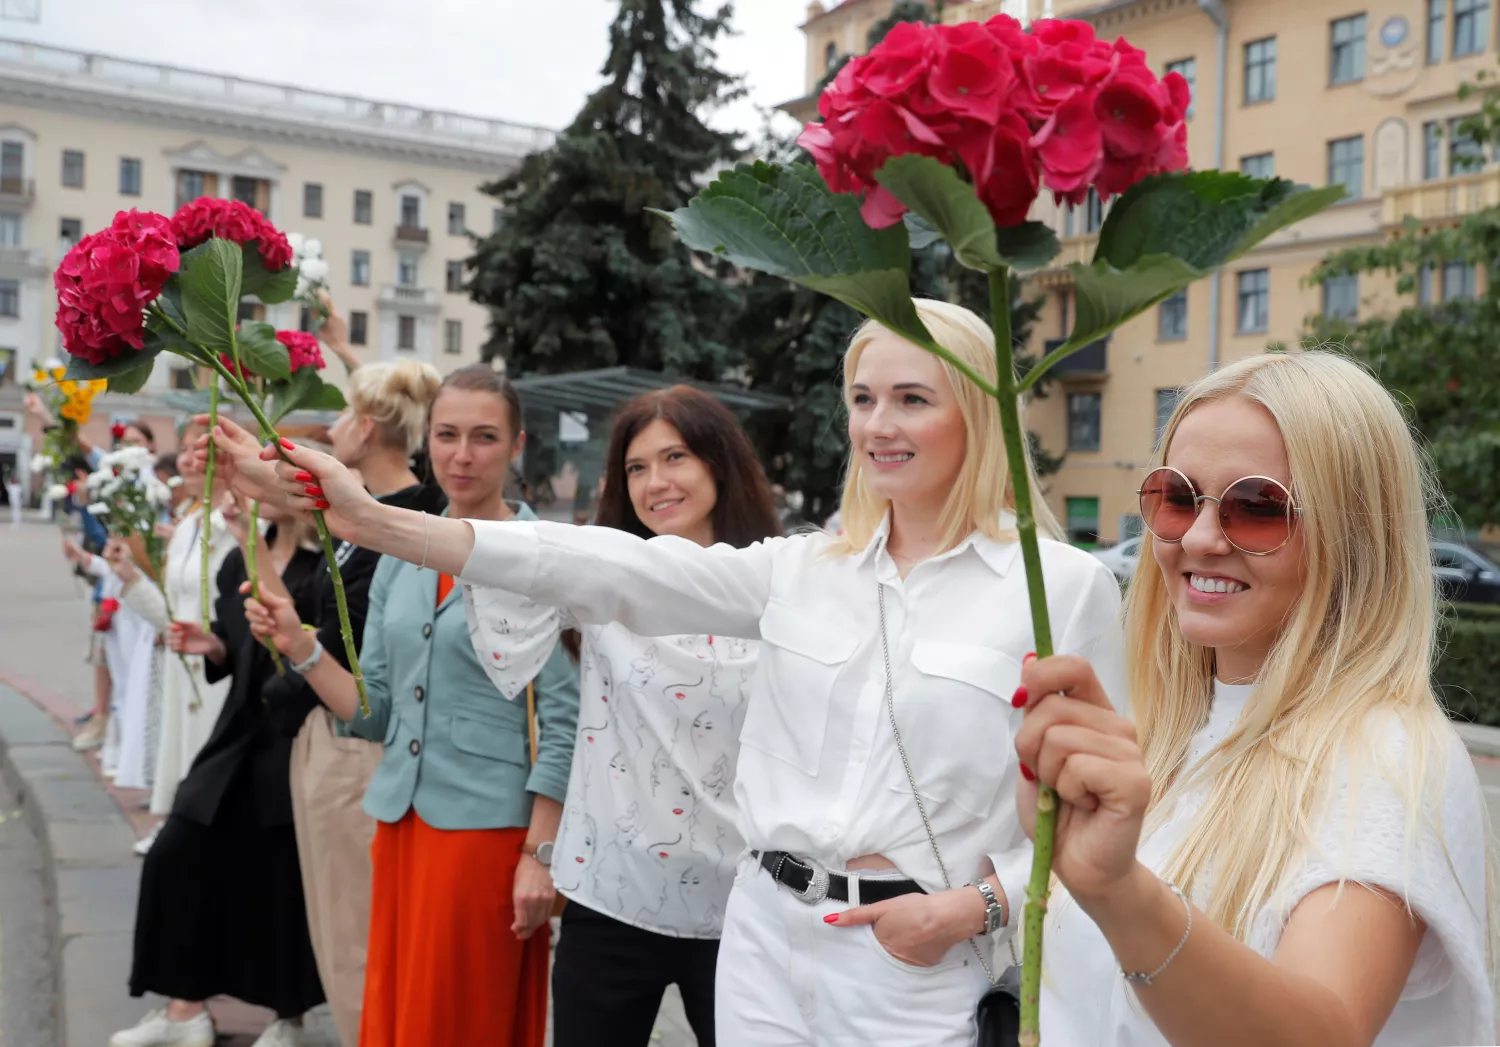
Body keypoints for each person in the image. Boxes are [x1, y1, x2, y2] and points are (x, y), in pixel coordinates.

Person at [256, 300, 1127, 1046]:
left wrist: (972, 907)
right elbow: (604, 566)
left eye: (911, 399)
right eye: (863, 399)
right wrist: (375, 522)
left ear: (977, 411)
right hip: (761, 940)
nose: (878, 424)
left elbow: (1106, 818)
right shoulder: (801, 569)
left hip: (914, 960)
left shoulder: (1061, 589)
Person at [1012, 351, 1494, 1046]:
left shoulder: (1390, 759)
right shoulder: (1166, 726)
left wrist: (1119, 892)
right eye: (1177, 496)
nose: (1201, 538)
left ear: (1354, 537)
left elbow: (1320, 1032)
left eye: (1258, 507)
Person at [243, 365, 579, 1047]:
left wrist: (540, 854)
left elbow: (568, 721)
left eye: (484, 437)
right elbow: (373, 708)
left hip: (485, 836)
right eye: (448, 434)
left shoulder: (545, 557)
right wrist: (303, 648)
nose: (462, 454)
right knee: (403, 1015)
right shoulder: (402, 548)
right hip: (399, 825)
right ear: (426, 440)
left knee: (458, 1018)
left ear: (516, 446)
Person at [473, 386, 780, 1047]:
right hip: (610, 895)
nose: (656, 481)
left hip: (743, 900)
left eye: (675, 457)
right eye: (637, 466)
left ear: (717, 463)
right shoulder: (599, 574)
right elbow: (502, 555)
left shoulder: (779, 581)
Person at [204, 358, 444, 1046]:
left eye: (341, 416)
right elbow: (303, 630)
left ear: (366, 429)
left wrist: (293, 664)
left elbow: (344, 650)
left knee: (355, 937)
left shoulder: (395, 527)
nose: (335, 427)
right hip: (332, 734)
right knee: (341, 932)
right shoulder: (368, 522)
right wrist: (247, 522)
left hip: (352, 744)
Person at [113, 493, 326, 1047]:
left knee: (282, 878)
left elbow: (306, 656)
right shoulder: (237, 561)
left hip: (295, 735)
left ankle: (289, 1017)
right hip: (238, 732)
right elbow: (235, 643)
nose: (255, 493)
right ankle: (187, 1010)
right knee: (176, 853)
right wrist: (213, 645)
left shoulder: (326, 563)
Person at [142, 423, 237, 853]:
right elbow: (172, 607)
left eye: (195, 450)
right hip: (185, 660)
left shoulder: (233, 524)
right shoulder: (188, 525)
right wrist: (130, 583)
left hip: (220, 663)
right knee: (179, 743)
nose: (183, 460)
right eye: (181, 450)